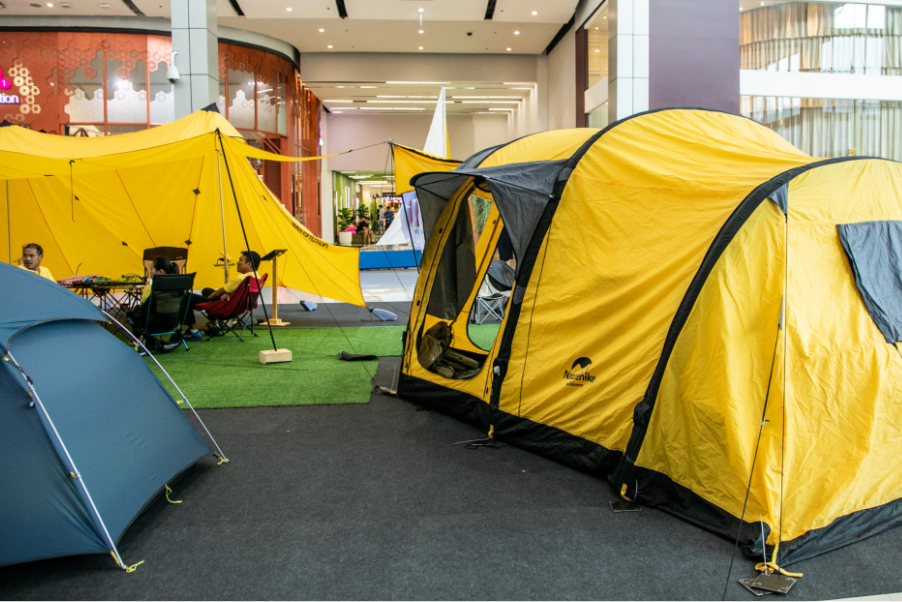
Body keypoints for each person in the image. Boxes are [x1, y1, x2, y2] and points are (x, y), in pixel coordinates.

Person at [183, 250, 262, 336]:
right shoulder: (257, 277)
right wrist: (229, 294)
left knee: (185, 297)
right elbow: (240, 293)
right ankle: (215, 326)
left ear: (249, 264)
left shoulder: (242, 278)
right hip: (237, 307)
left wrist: (206, 302)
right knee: (207, 290)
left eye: (240, 260)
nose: (237, 262)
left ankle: (193, 331)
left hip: (226, 308)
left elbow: (218, 293)